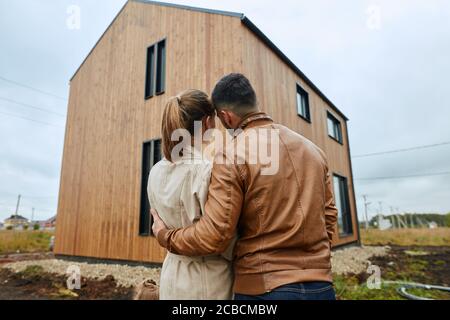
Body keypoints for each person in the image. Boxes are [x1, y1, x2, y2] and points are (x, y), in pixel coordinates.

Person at [152, 73, 338, 300]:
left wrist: (165, 236)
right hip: (321, 287)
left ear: (226, 117)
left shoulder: (230, 155)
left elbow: (216, 235)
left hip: (262, 288)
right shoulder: (314, 151)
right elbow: (328, 216)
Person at [147, 89, 234, 300]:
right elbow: (223, 240)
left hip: (171, 276)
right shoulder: (206, 171)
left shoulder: (155, 171)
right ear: (207, 123)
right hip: (208, 283)